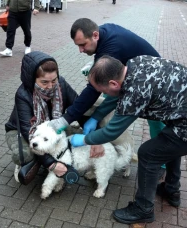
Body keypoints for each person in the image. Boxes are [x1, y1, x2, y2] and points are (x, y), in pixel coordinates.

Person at [70, 55, 187, 224]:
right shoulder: (136, 63)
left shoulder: (136, 91)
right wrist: (97, 116)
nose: (105, 95)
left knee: (149, 153)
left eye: (103, 91)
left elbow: (111, 132)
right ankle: (171, 190)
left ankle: (143, 209)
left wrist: (84, 139)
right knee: (168, 143)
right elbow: (116, 96)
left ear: (113, 83)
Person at [48, 17, 168, 196]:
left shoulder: (112, 49)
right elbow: (108, 91)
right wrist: (95, 117)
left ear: (95, 35)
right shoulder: (102, 38)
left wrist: (69, 123)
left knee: (157, 125)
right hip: (129, 79)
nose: (81, 50)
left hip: (154, 84)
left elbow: (93, 90)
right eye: (77, 46)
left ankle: (163, 166)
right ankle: (107, 151)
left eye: (83, 44)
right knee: (107, 98)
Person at [5, 51, 86, 182]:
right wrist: (51, 164)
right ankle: (27, 163)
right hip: (22, 131)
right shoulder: (23, 94)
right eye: (44, 82)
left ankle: (46, 156)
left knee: (81, 135)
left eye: (54, 80)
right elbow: (28, 131)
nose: (50, 86)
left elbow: (78, 108)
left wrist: (92, 135)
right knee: (26, 154)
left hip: (52, 127)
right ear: (32, 79)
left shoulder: (61, 84)